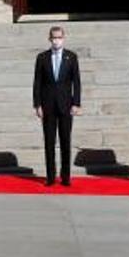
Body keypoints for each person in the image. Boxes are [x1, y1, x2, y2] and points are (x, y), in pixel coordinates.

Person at [33, 25, 81, 186]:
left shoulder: (71, 57)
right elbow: (37, 83)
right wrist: (37, 104)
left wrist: (76, 103)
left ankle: (66, 176)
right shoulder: (42, 57)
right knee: (49, 142)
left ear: (64, 38)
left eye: (59, 37)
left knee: (65, 141)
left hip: (66, 105)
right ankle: (51, 176)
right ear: (49, 39)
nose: (56, 40)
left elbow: (77, 82)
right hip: (48, 106)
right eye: (54, 37)